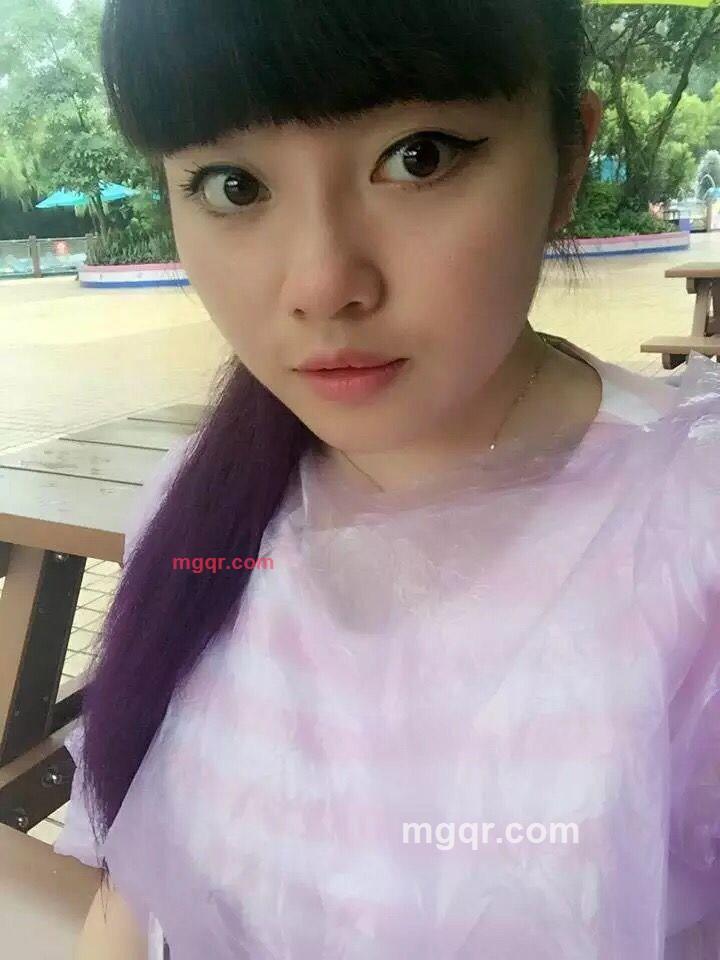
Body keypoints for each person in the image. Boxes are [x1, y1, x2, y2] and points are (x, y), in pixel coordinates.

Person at [53, 1, 720, 957]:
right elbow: (128, 904)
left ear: (568, 161)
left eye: (419, 157)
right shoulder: (194, 518)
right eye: (235, 185)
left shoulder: (692, 547)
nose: (323, 285)